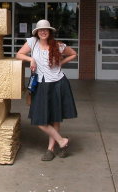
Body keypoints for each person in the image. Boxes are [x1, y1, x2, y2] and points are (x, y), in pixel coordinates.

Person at [16, 19, 78, 161]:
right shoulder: (32, 42)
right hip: (41, 84)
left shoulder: (58, 45)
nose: (43, 32)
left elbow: (73, 54)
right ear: (37, 32)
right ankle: (62, 141)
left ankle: (50, 149)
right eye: (40, 30)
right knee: (39, 119)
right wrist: (31, 59)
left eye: (46, 29)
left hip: (58, 83)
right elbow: (19, 54)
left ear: (49, 32)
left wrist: (61, 62)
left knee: (55, 118)